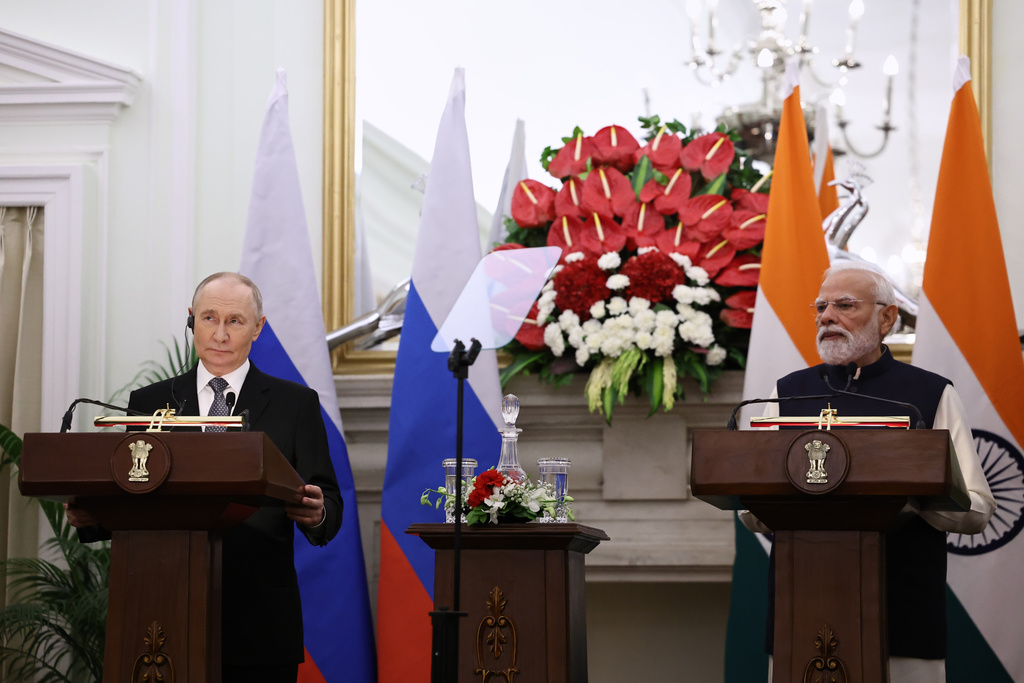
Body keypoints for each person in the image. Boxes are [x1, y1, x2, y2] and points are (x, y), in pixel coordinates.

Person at [65, 272, 343, 683]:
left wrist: (318, 514)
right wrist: (92, 518)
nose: (220, 334)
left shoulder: (295, 403)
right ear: (191, 319)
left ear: (258, 328)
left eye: (235, 321)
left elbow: (329, 503)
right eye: (209, 318)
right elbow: (132, 490)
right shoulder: (149, 402)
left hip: (260, 623)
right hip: (162, 614)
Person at [744, 262, 995, 683]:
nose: (827, 317)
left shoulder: (929, 393)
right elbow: (751, 506)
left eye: (845, 305)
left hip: (901, 610)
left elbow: (977, 508)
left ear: (887, 318)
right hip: (803, 608)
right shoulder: (788, 393)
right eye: (821, 307)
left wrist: (910, 497)